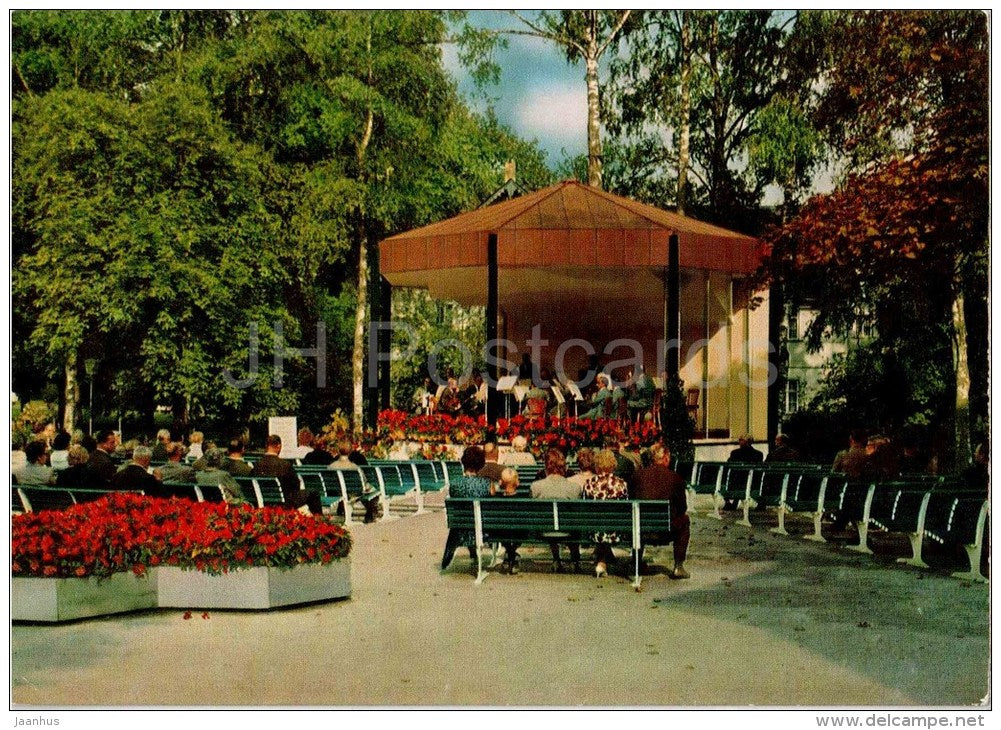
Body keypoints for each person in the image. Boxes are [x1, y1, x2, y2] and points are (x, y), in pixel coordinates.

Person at [632, 444, 691, 579]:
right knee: (684, 521)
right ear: (665, 458)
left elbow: (631, 499)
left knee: (636, 517)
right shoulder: (675, 478)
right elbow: (683, 507)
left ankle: (636, 562)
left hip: (641, 528)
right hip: (666, 530)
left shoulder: (637, 475)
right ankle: (678, 566)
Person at [440, 446, 491, 572]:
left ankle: (448, 560)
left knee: (466, 517)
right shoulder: (485, 484)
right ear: (481, 464)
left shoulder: (455, 483)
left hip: (460, 527)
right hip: (482, 529)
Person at [531, 449, 582, 573]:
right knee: (572, 521)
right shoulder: (575, 487)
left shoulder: (536, 486)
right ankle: (575, 559)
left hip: (544, 530)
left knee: (551, 520)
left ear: (546, 465)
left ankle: (556, 559)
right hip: (568, 530)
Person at [581, 449, 629, 578]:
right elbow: (625, 508)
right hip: (615, 530)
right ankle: (603, 561)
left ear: (597, 466)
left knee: (599, 523)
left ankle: (602, 560)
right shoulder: (621, 484)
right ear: (613, 465)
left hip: (594, 530)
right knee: (608, 523)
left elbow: (585, 507)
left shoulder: (589, 484)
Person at [253, 435, 323, 515]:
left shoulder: (257, 464)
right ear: (279, 446)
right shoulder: (285, 465)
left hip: (263, 500)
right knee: (314, 493)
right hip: (285, 502)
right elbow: (296, 484)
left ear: (267, 446)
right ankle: (318, 521)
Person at [329, 439, 378, 522]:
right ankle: (370, 513)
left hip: (337, 491)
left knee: (345, 487)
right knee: (373, 491)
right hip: (354, 491)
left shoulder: (332, 465)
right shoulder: (355, 465)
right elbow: (365, 478)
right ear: (350, 450)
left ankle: (342, 508)